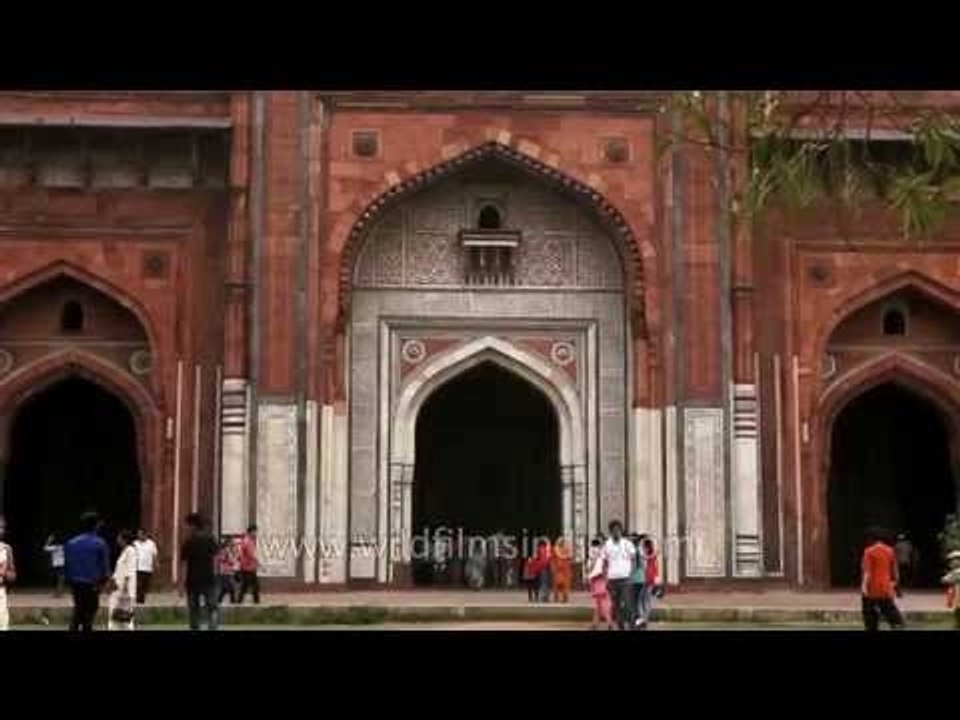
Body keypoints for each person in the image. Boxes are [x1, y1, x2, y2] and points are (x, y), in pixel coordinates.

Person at [64, 511, 111, 632]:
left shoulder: (71, 543)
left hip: (76, 584)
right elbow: (104, 567)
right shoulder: (100, 543)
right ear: (96, 525)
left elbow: (67, 566)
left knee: (79, 610)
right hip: (92, 585)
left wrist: (69, 582)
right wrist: (104, 583)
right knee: (88, 613)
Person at [180, 513, 220, 630]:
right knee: (212, 607)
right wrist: (216, 575)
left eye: (187, 525)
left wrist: (181, 584)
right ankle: (213, 626)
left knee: (194, 609)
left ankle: (196, 627)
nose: (185, 528)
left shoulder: (189, 541)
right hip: (208, 578)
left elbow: (184, 564)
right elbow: (216, 559)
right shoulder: (210, 538)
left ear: (192, 525)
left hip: (192, 580)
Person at [861, 527, 905, 632]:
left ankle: (872, 627)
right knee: (888, 607)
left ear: (871, 538)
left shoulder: (869, 551)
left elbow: (867, 571)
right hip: (886, 586)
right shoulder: (890, 551)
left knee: (869, 611)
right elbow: (895, 570)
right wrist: (895, 584)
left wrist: (863, 586)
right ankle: (897, 623)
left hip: (872, 586)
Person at [601, 520, 636, 630]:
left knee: (626, 602)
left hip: (625, 579)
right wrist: (605, 577)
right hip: (612, 579)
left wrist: (631, 573)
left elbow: (634, 559)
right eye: (614, 530)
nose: (616, 532)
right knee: (615, 604)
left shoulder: (627, 544)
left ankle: (631, 623)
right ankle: (620, 624)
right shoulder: (607, 544)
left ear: (621, 531)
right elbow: (604, 561)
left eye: (618, 530)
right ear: (611, 532)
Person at [107, 530, 137, 631]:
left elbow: (129, 571)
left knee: (124, 618)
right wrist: (112, 582)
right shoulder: (124, 551)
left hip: (124, 590)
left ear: (124, 539)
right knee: (116, 617)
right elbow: (119, 570)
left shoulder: (131, 551)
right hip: (117, 588)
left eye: (119, 537)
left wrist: (124, 589)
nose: (117, 539)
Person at [585, 535, 612, 630]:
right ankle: (596, 624)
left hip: (599, 579)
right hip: (598, 579)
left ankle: (608, 623)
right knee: (599, 604)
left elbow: (591, 568)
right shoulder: (599, 554)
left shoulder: (601, 554)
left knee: (602, 603)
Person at [638, 536, 662, 629]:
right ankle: (644, 619)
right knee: (645, 599)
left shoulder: (649, 556)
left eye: (644, 547)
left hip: (649, 578)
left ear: (647, 547)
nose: (643, 548)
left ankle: (644, 619)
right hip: (650, 578)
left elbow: (646, 556)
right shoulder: (653, 555)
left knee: (644, 600)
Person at [133, 529, 159, 604]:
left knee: (144, 586)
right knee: (139, 585)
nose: (139, 535)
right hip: (138, 568)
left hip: (148, 568)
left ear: (145, 535)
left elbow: (154, 555)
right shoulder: (135, 543)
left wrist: (156, 563)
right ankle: (139, 601)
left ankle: (141, 599)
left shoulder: (151, 544)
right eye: (138, 534)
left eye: (140, 534)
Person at [0, 517, 16, 631]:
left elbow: (13, 576)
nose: (1, 530)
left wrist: (5, 573)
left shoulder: (6, 548)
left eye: (2, 527)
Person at [237, 524, 260, 604]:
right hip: (247, 568)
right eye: (255, 531)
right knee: (251, 586)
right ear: (251, 531)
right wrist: (257, 561)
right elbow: (250, 554)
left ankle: (241, 602)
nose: (256, 533)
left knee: (249, 586)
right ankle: (255, 602)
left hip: (249, 567)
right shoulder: (247, 541)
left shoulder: (249, 540)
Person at [629, 533, 648, 629]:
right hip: (642, 579)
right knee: (638, 601)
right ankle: (640, 621)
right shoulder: (641, 551)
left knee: (634, 602)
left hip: (634, 580)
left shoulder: (634, 552)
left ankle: (637, 621)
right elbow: (644, 565)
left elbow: (633, 567)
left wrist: (628, 576)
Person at [216, 536, 239, 605]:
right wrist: (233, 559)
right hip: (226, 572)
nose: (233, 543)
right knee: (231, 588)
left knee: (225, 589)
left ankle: (218, 602)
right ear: (228, 542)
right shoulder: (226, 550)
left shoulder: (226, 549)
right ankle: (233, 604)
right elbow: (228, 560)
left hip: (227, 571)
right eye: (232, 542)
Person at [551, 537, 573, 603]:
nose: (562, 543)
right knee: (558, 584)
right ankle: (558, 598)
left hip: (564, 569)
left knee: (564, 584)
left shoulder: (564, 548)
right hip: (559, 569)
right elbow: (559, 556)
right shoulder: (556, 548)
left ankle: (563, 598)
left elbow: (569, 556)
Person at [942, 550, 960, 630]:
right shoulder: (955, 572)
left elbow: (945, 579)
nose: (950, 563)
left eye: (952, 560)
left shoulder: (957, 572)